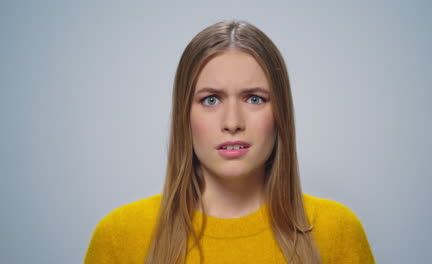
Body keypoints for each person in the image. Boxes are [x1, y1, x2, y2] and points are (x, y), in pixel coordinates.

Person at [84, 20, 375, 264]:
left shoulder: (337, 231)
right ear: (184, 115)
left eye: (254, 98)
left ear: (280, 114)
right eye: (210, 100)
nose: (232, 121)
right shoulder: (119, 236)